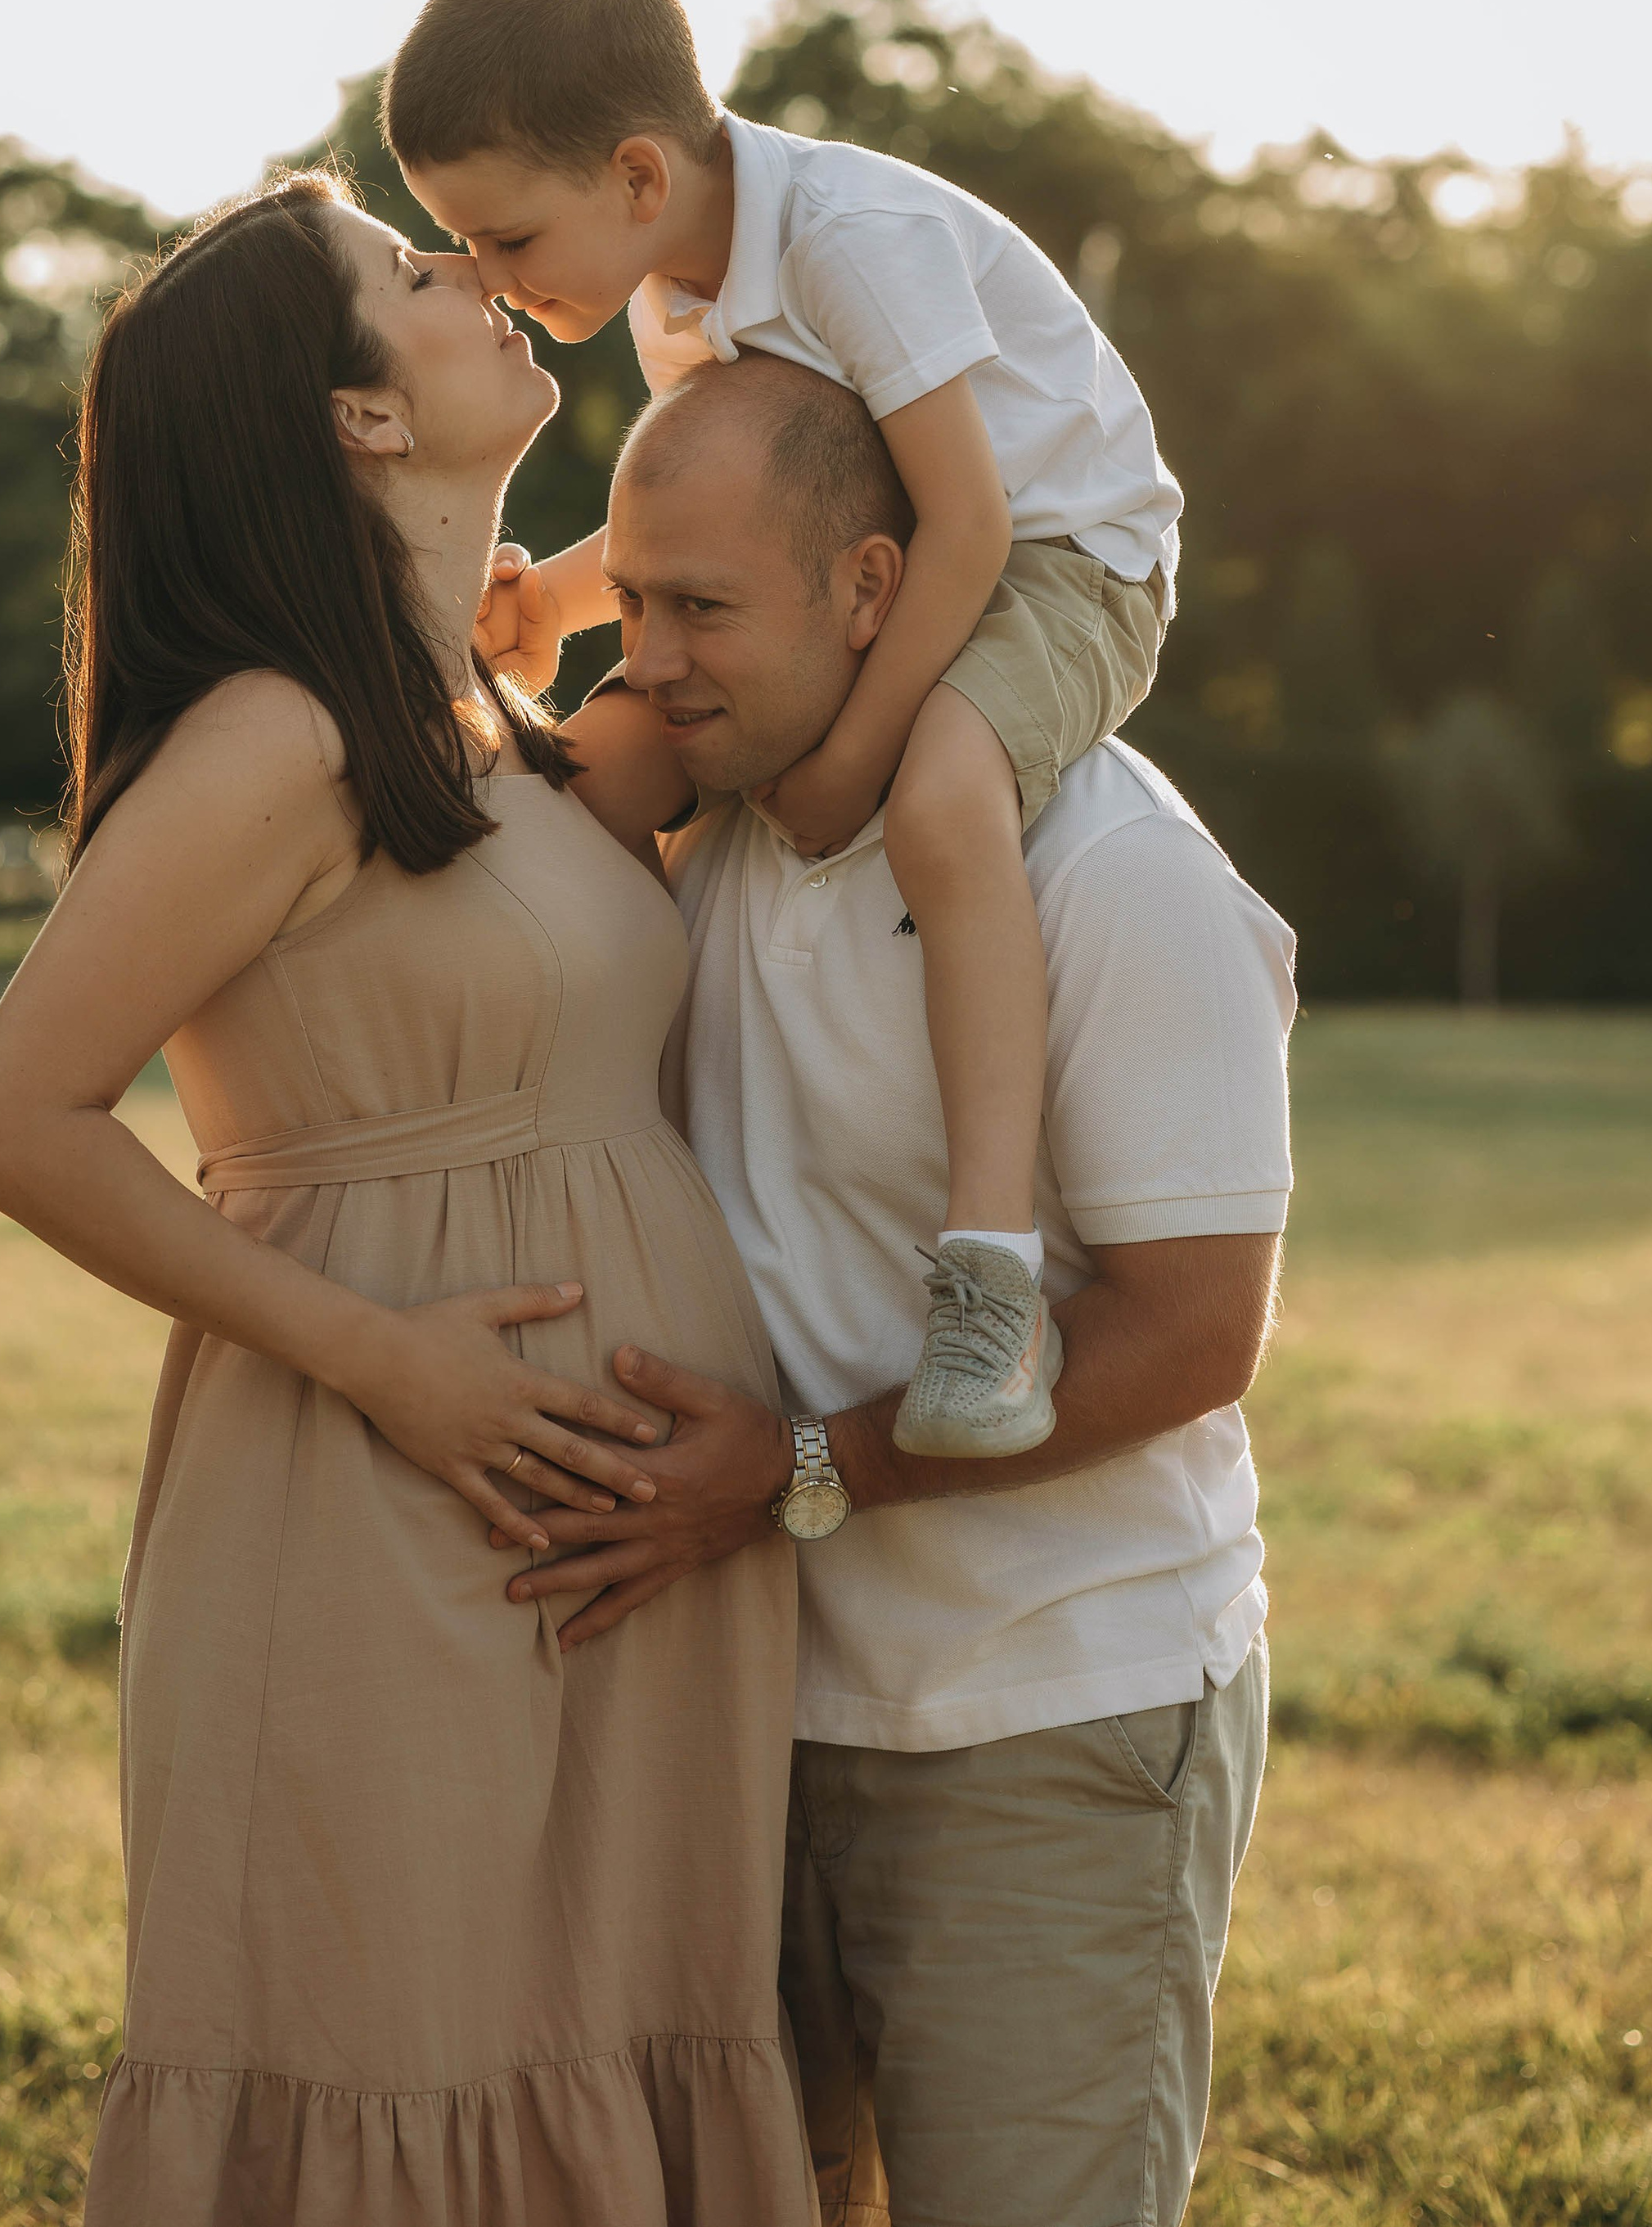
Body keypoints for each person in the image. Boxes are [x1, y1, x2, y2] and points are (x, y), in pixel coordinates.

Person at [0, 174, 817, 2226]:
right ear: (356, 413)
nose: (474, 273)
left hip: (605, 1528)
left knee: (600, 2033)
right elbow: (16, 1122)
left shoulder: (483, 728)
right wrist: (387, 1367)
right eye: (413, 269)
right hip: (386, 1506)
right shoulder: (279, 737)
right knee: (403, 2066)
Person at [488, 352, 1291, 2227]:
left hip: (1042, 1714)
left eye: (702, 611)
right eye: (633, 599)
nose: (648, 660)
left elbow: (1192, 1331)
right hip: (740, 1709)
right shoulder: (706, 825)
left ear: (870, 587)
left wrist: (791, 1472)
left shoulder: (1107, 865)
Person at [386, 0, 1183, 1459]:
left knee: (940, 804)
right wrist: (548, 605)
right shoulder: (669, 287)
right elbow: (730, 521)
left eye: (505, 237)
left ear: (637, 175)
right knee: (595, 775)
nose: (486, 280)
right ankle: (587, 1159)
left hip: (1064, 561)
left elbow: (971, 525)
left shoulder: (849, 240)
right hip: (857, 572)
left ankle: (990, 1286)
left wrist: (856, 752)